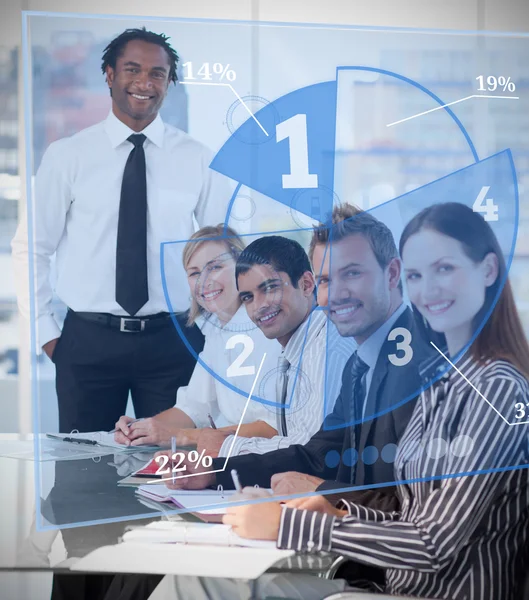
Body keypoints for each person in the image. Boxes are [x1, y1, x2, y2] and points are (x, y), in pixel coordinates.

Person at [226, 202, 529, 600]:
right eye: (418, 275)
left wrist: (289, 524)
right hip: (389, 586)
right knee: (200, 581)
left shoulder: (495, 388)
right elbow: (414, 511)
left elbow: (433, 543)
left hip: (434, 594)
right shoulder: (443, 381)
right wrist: (338, 509)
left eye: (445, 269)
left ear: (487, 271)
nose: (427, 289)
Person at [11, 27, 232, 432]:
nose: (144, 83)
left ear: (169, 83)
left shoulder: (198, 158)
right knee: (82, 481)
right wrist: (48, 336)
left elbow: (227, 251)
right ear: (110, 74)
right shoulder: (68, 157)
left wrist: (216, 331)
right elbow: (31, 248)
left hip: (174, 339)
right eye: (132, 69)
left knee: (172, 474)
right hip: (87, 341)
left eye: (157, 74)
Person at [164, 210, 432, 500]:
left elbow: (420, 507)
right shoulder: (360, 363)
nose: (336, 294)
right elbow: (316, 456)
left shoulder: (421, 361)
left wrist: (322, 496)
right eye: (327, 280)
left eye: (352, 273)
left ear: (392, 274)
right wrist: (214, 473)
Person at [113, 225, 281, 451]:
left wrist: (180, 435)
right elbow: (193, 408)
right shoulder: (217, 333)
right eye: (194, 273)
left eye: (215, 267)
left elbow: (274, 427)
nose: (204, 280)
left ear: (243, 268)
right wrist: (141, 428)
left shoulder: (266, 331)